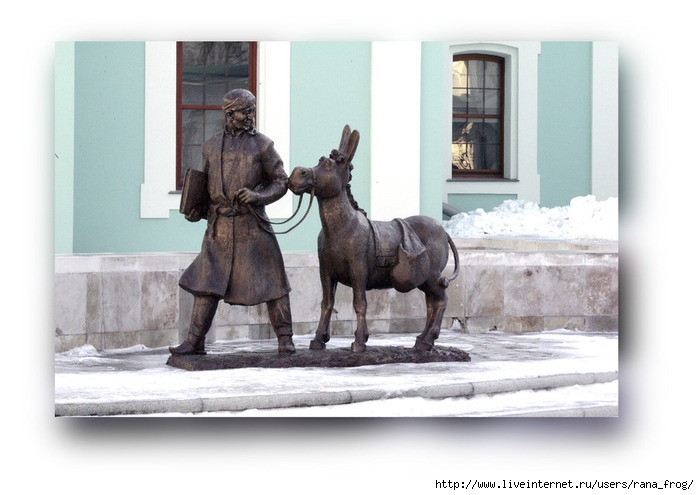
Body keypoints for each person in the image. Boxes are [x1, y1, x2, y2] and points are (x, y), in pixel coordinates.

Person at [170, 88, 296, 355]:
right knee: (206, 284)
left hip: (253, 226)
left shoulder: (263, 145)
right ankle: (194, 342)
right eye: (245, 111)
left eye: (252, 110)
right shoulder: (211, 146)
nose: (250, 116)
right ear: (230, 114)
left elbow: (281, 182)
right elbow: (204, 185)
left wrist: (257, 195)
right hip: (219, 229)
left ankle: (286, 339)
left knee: (273, 282)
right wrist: (197, 210)